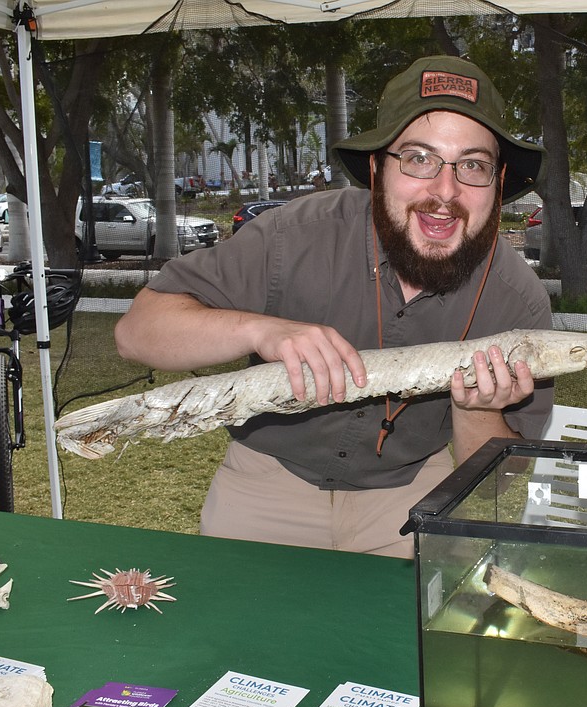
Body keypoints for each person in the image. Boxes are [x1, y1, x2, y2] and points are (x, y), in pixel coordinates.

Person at [114, 56, 553, 559]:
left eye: (472, 165)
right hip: (264, 480)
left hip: (408, 494)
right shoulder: (293, 237)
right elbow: (136, 333)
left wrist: (479, 412)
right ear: (377, 167)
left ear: (498, 185)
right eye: (418, 158)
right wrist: (260, 331)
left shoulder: (516, 300)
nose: (445, 191)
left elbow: (498, 481)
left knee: (402, 635)